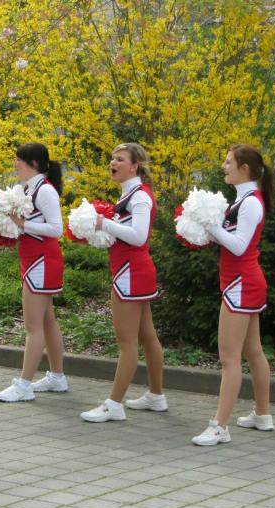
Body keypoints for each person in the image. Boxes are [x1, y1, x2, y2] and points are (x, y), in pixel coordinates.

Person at [192, 144, 274, 446]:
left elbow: (239, 246)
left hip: (242, 283)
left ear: (244, 169)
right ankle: (262, 414)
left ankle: (219, 426)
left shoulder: (251, 202)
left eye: (229, 162)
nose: (224, 166)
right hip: (239, 281)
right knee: (253, 351)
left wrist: (210, 226)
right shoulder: (244, 199)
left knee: (229, 358)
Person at [80, 143, 166, 422]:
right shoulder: (130, 194)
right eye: (112, 159)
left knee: (126, 342)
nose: (113, 163)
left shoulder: (139, 196)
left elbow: (138, 236)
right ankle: (156, 396)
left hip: (131, 272)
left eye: (120, 159)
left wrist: (104, 224)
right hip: (132, 271)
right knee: (147, 336)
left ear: (134, 166)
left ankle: (114, 405)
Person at [0, 143, 69, 402]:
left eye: (19, 160)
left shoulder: (44, 190)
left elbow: (57, 229)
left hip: (42, 262)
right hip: (32, 260)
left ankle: (24, 386)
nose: (15, 164)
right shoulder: (28, 189)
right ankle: (57, 377)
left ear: (34, 164)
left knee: (33, 327)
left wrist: (22, 223)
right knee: (47, 322)